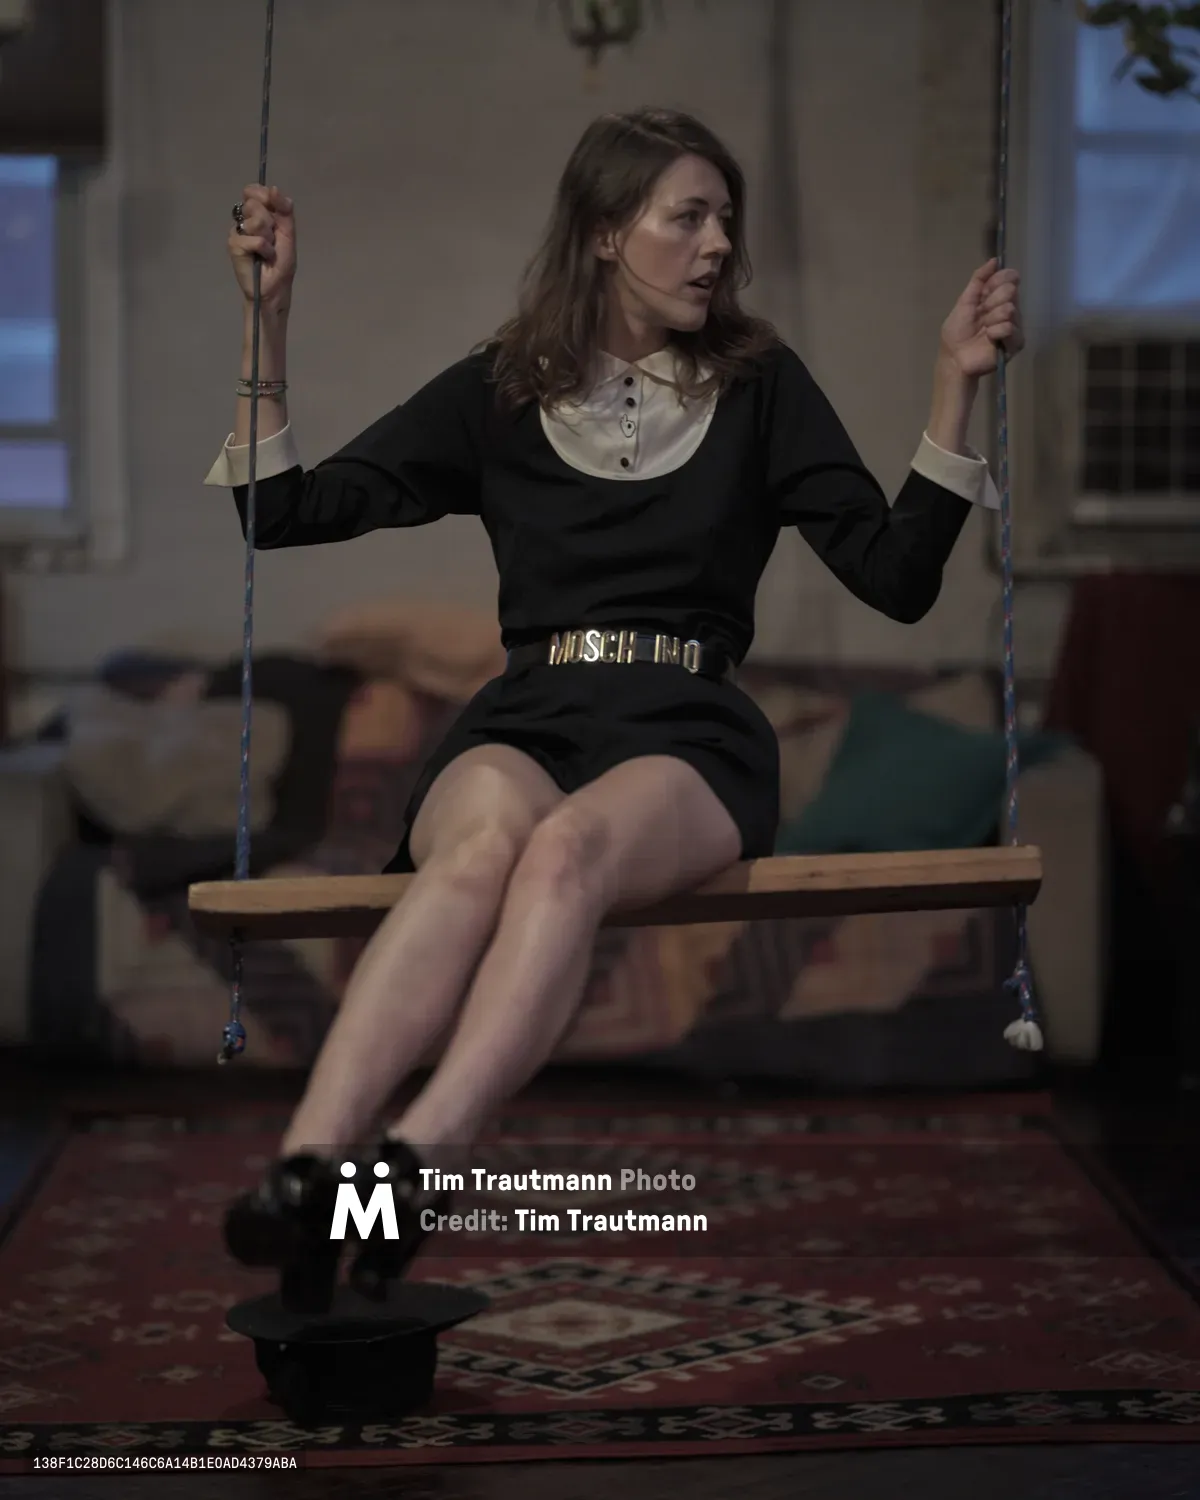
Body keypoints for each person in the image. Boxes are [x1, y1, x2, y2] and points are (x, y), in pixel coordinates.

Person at [210, 107, 1023, 1311]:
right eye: (685, 217)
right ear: (603, 232)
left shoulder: (760, 387)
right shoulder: (501, 388)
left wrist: (955, 384)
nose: (715, 247)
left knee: (567, 852)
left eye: (724, 223)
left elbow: (896, 580)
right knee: (482, 843)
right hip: (531, 713)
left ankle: (413, 1168)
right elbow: (280, 513)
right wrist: (266, 319)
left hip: (687, 732)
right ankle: (304, 1172)